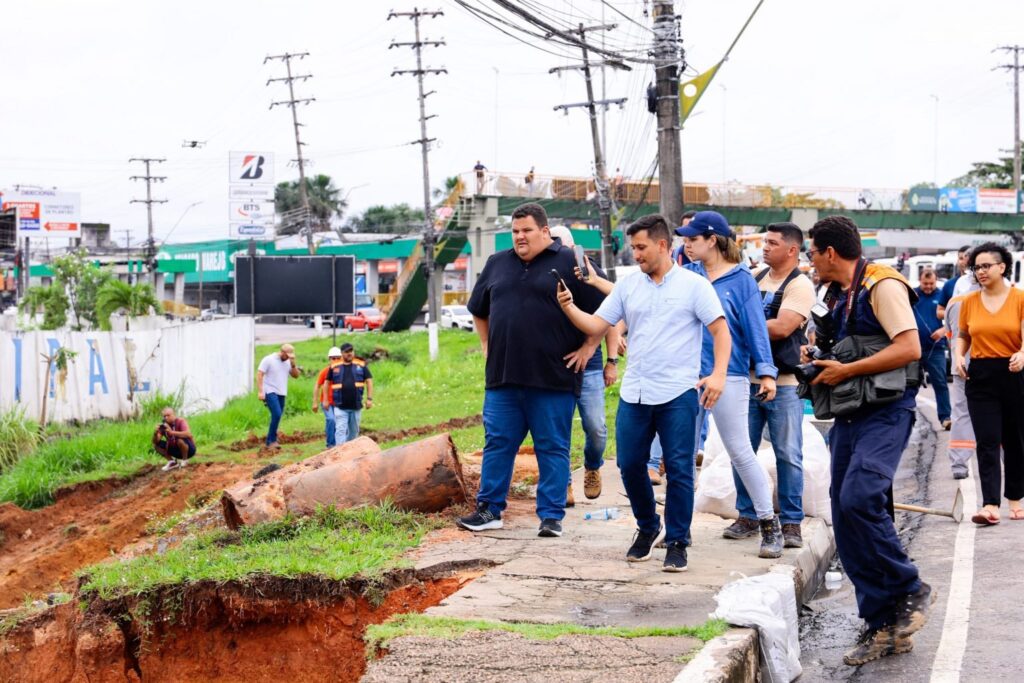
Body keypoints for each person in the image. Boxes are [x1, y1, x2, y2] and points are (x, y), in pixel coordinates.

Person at [557, 213, 731, 572]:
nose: (635, 254)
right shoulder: (628, 286)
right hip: (635, 393)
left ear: (663, 245)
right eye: (633, 247)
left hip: (678, 394)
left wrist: (717, 375)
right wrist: (569, 307)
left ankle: (678, 540)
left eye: (641, 247)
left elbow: (720, 331)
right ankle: (648, 525)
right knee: (629, 464)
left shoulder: (694, 286)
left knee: (680, 470)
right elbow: (597, 324)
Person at [804, 215, 933, 666]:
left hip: (886, 412)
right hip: (850, 413)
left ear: (830, 253)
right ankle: (883, 623)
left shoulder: (882, 285)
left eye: (813, 252)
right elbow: (849, 347)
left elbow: (909, 348)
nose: (811, 260)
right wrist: (820, 358)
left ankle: (909, 588)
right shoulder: (835, 294)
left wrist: (846, 370)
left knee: (861, 496)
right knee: (844, 512)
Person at [459, 203, 604, 538]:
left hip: (552, 378)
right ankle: (490, 509)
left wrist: (589, 348)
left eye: (526, 230)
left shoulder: (570, 261)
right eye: (515, 231)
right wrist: (485, 345)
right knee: (497, 443)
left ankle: (551, 516)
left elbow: (609, 309)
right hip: (503, 377)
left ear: (544, 231)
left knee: (552, 447)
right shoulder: (497, 264)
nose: (520, 237)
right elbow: (478, 309)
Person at [678, 211, 784, 559]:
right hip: (686, 376)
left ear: (713, 240)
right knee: (679, 455)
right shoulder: (688, 275)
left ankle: (769, 525)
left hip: (730, 376)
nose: (687, 244)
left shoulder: (742, 281)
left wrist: (766, 373)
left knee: (739, 450)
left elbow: (756, 329)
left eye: (693, 239)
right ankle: (676, 530)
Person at [731, 222, 815, 549]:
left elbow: (782, 327)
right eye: (765, 241)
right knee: (742, 451)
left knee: (788, 454)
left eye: (772, 243)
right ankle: (748, 515)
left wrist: (743, 324)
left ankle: (792, 522)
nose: (764, 247)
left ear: (792, 250)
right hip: (746, 380)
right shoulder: (754, 277)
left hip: (785, 384)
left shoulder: (801, 286)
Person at [953, 243, 1024, 525]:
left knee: (1016, 440)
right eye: (976, 267)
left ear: (1002, 267)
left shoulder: (1019, 298)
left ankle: (1016, 498)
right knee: (987, 440)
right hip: (980, 375)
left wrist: (1022, 354)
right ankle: (990, 504)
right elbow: (963, 335)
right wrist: (959, 355)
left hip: (1013, 372)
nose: (980, 272)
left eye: (985, 266)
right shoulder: (968, 302)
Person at [548, 226, 619, 506]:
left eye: (564, 247)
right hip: (554, 363)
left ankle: (592, 466)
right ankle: (562, 484)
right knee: (558, 428)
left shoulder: (592, 274)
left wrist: (610, 361)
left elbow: (612, 317)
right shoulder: (544, 272)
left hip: (589, 364)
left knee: (596, 427)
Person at [943, 270, 980, 479]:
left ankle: (959, 464)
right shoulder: (1001, 300)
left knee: (961, 414)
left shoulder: (955, 301)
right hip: (993, 365)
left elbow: (949, 334)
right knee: (1001, 415)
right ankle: (1010, 463)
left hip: (961, 366)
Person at [913, 269, 952, 429]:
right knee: (909, 385)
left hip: (935, 349)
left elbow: (953, 319)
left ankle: (945, 417)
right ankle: (909, 418)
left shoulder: (942, 295)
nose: (928, 287)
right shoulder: (912, 296)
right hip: (914, 347)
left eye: (931, 284)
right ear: (920, 281)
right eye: (925, 283)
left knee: (940, 383)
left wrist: (943, 331)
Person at [324, 343, 374, 444]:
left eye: (351, 351)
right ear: (342, 353)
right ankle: (340, 453)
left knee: (353, 433)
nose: (349, 354)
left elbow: (369, 381)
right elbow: (326, 383)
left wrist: (369, 399)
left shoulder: (361, 365)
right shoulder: (334, 367)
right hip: (340, 406)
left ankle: (349, 451)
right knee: (340, 430)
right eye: (346, 352)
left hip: (356, 406)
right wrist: (325, 399)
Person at [257, 343, 300, 448]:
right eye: (287, 356)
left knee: (278, 415)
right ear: (282, 352)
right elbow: (259, 374)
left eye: (290, 357)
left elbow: (296, 376)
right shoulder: (268, 359)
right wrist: (260, 391)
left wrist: (293, 364)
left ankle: (272, 439)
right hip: (270, 391)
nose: (288, 358)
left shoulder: (288, 362)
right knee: (276, 413)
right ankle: (270, 441)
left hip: (282, 392)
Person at [312, 347, 342, 448]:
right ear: (329, 359)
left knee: (339, 422)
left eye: (338, 358)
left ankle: (340, 444)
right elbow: (317, 386)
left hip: (340, 402)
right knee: (331, 419)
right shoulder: (325, 372)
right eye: (333, 358)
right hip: (327, 402)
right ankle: (330, 444)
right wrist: (315, 402)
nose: (335, 360)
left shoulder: (344, 371)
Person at [153, 407, 196, 471]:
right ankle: (172, 462)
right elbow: (156, 441)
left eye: (168, 415)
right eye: (164, 416)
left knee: (179, 440)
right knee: (156, 445)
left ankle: (185, 460)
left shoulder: (180, 421)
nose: (166, 418)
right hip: (176, 450)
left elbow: (188, 434)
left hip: (189, 450)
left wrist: (171, 432)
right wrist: (155, 433)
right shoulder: (164, 426)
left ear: (174, 415)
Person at [937, 245, 971, 320]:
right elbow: (939, 312)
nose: (964, 261)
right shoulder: (950, 284)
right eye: (961, 258)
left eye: (967, 258)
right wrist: (955, 313)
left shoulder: (981, 282)